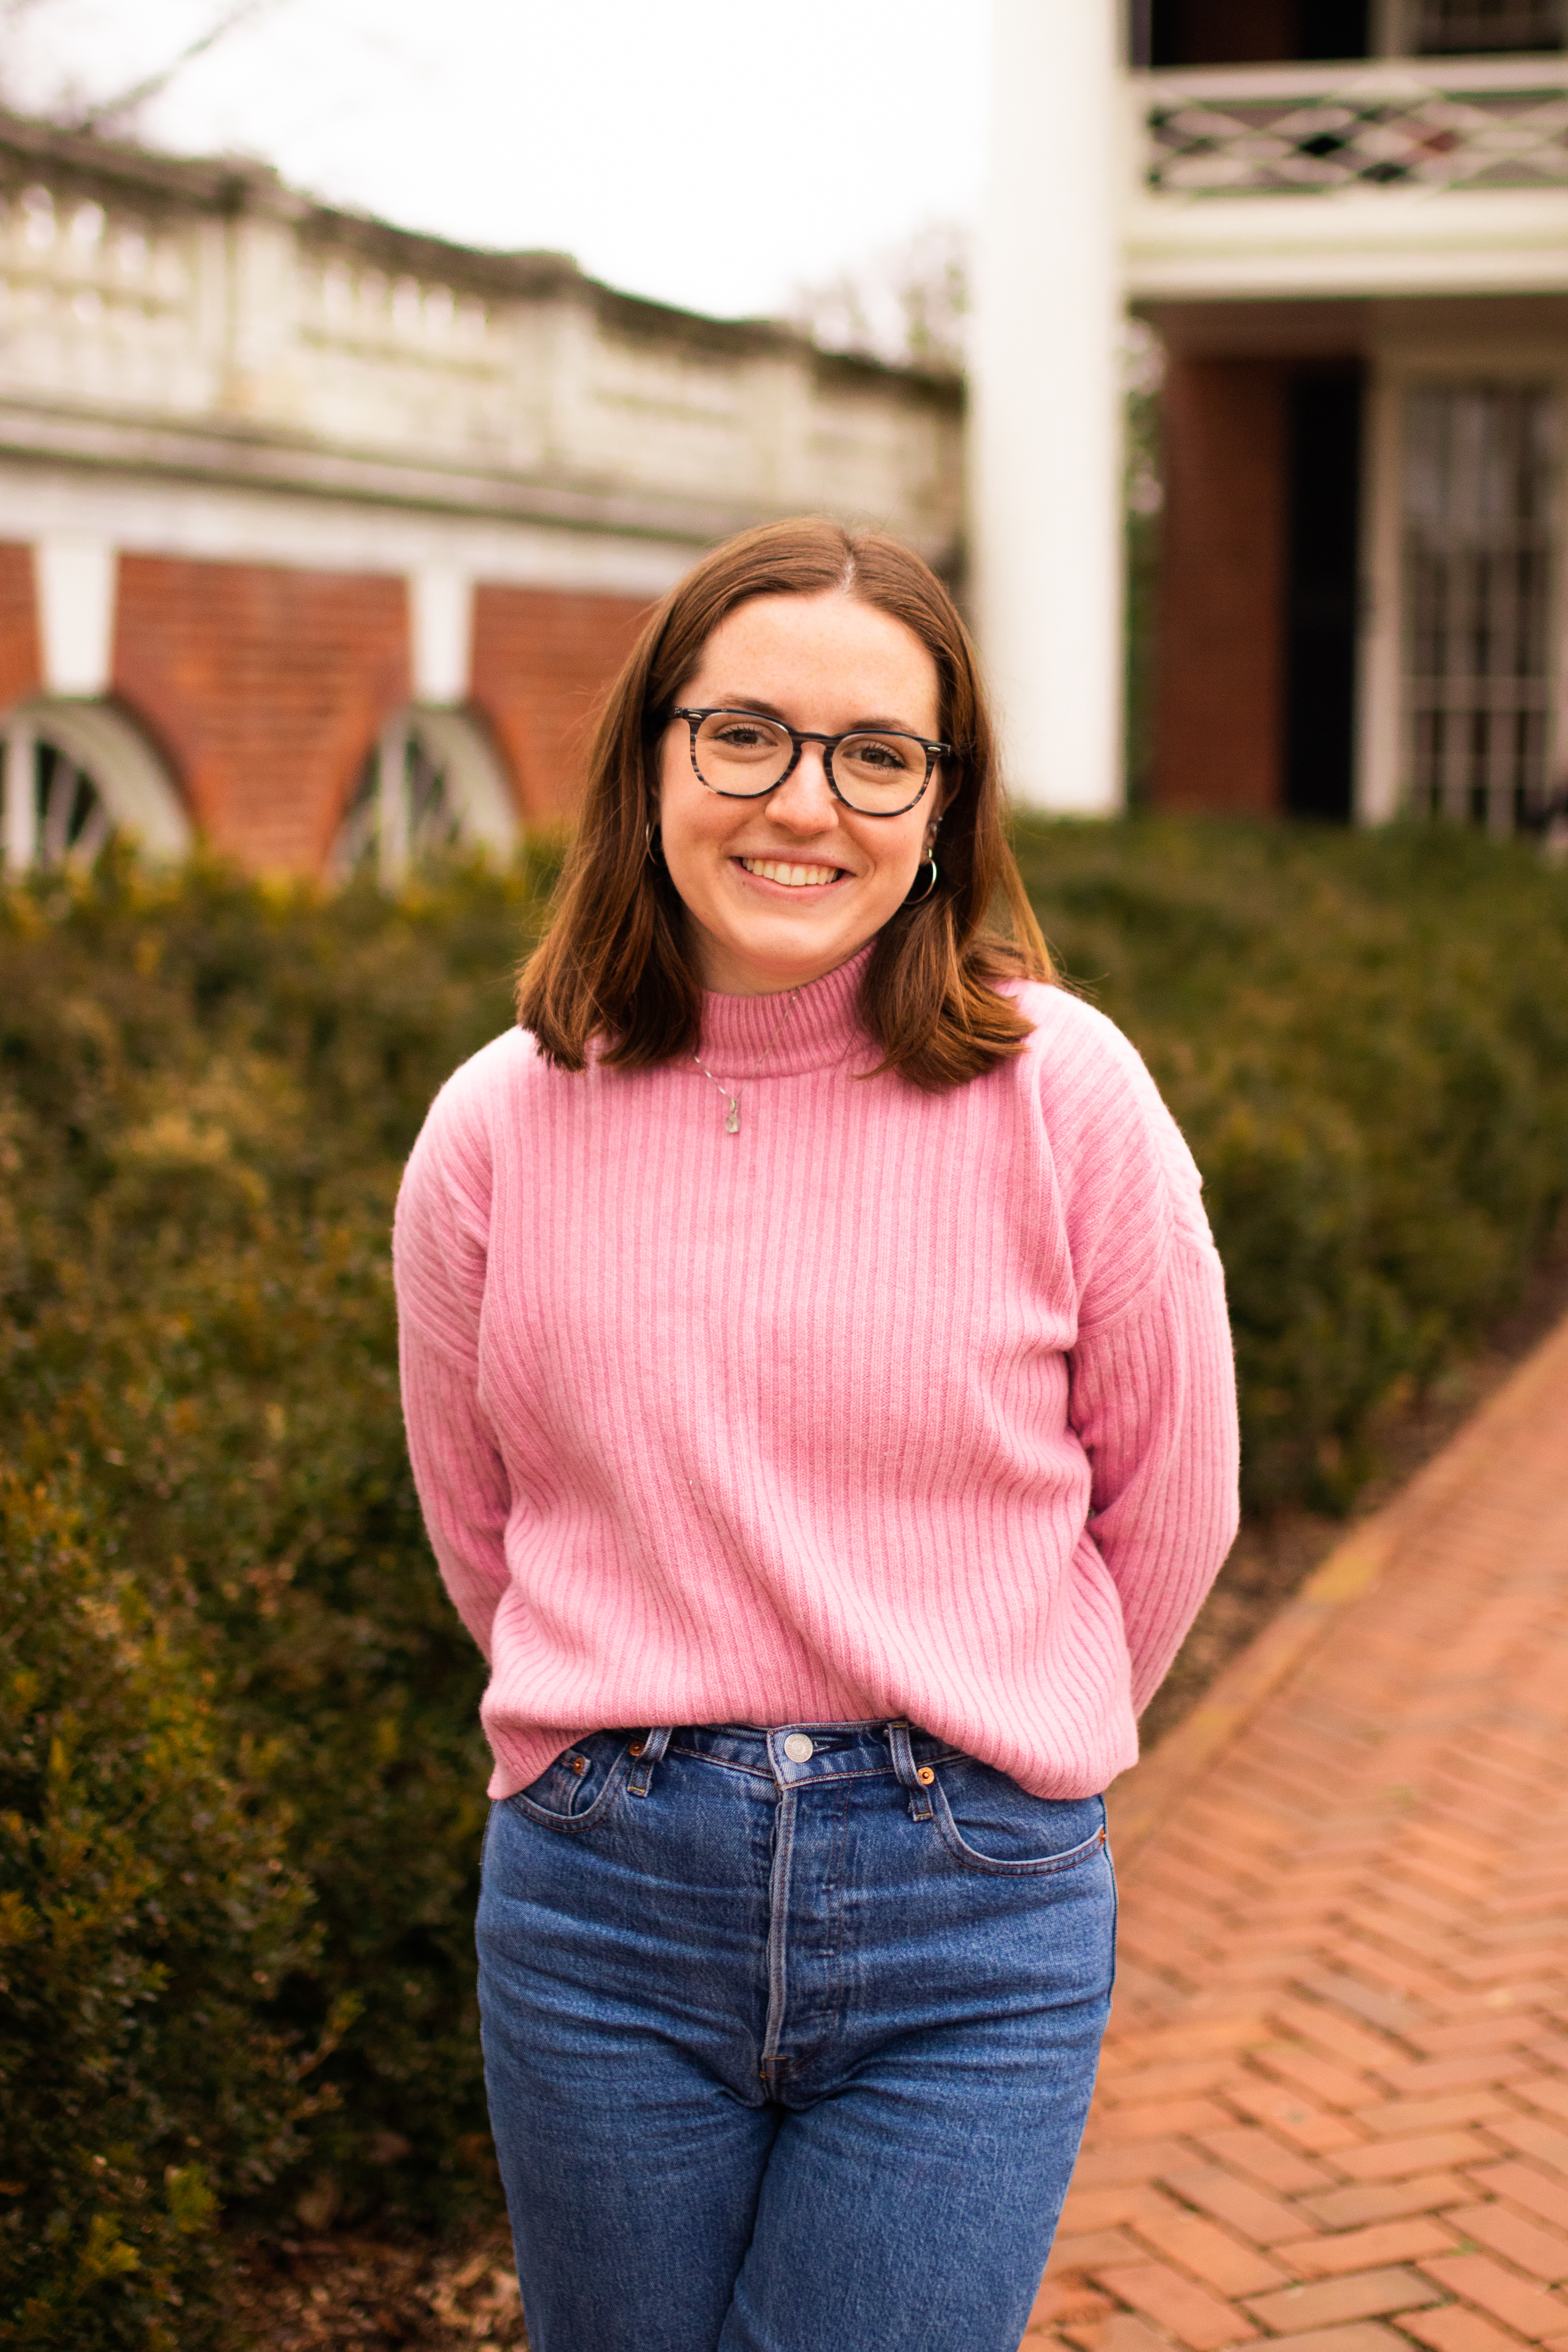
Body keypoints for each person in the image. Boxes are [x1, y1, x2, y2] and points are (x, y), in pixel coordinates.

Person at [393, 517, 1239, 2352]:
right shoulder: (494, 1125)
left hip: (970, 1920)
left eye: (875, 755)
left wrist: (1018, 1763)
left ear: (941, 806)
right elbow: (482, 1519)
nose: (805, 802)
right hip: (599, 1909)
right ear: (653, 758)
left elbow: (1170, 1501)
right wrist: (617, 1738)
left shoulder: (1061, 1094)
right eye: (746, 734)